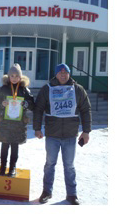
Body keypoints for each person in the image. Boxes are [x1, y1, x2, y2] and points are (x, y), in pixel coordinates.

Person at [33, 63, 92, 205]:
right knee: (50, 164)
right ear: (56, 74)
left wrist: (86, 131)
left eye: (66, 72)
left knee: (69, 166)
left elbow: (86, 109)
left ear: (69, 74)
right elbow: (39, 108)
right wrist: (37, 128)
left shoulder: (78, 89)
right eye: (60, 72)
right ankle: (47, 191)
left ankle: (71, 194)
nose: (63, 74)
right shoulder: (47, 89)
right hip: (52, 134)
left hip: (71, 135)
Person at [0, 64, 35, 177]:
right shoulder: (3, 89)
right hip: (5, 123)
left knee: (15, 146)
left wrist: (25, 104)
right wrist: (2, 104)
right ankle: (2, 167)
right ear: (8, 76)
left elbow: (32, 105)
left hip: (18, 124)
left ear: (20, 77)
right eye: (12, 75)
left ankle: (12, 167)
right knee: (5, 145)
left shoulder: (24, 90)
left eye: (17, 76)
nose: (14, 78)